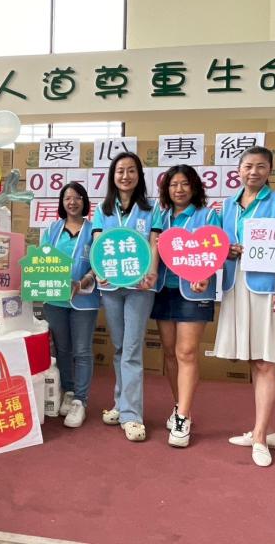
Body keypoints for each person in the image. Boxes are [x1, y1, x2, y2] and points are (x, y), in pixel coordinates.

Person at [214, 146, 275, 467]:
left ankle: (261, 437)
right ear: (238, 170)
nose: (254, 172)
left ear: (270, 171)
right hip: (235, 286)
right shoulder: (227, 205)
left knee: (266, 362)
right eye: (248, 166)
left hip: (268, 287)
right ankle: (262, 429)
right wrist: (228, 250)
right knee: (254, 360)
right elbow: (218, 244)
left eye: (261, 167)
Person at [149, 165, 221, 448]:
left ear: (194, 187)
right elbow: (153, 248)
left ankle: (182, 418)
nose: (178, 190)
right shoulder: (161, 216)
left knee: (186, 352)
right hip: (164, 290)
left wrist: (206, 275)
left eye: (184, 184)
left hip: (193, 292)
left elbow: (216, 252)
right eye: (173, 185)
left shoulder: (208, 215)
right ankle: (181, 406)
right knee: (169, 353)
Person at [91, 152, 157, 442]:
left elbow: (154, 243)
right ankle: (121, 403)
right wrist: (98, 271)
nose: (125, 176)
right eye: (120, 171)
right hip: (110, 287)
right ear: (112, 176)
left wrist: (151, 272)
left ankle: (132, 416)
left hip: (140, 287)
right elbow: (97, 244)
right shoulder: (102, 210)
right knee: (119, 348)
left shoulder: (151, 208)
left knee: (131, 349)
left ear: (139, 175)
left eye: (131, 170)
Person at [42, 182, 100, 428]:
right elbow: (42, 260)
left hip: (84, 299)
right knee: (62, 349)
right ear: (62, 203)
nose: (72, 202)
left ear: (84, 201)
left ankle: (80, 400)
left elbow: (99, 261)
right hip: (55, 298)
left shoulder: (93, 230)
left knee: (82, 351)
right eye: (67, 198)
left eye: (77, 197)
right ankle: (68, 390)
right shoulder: (52, 229)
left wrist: (84, 281)